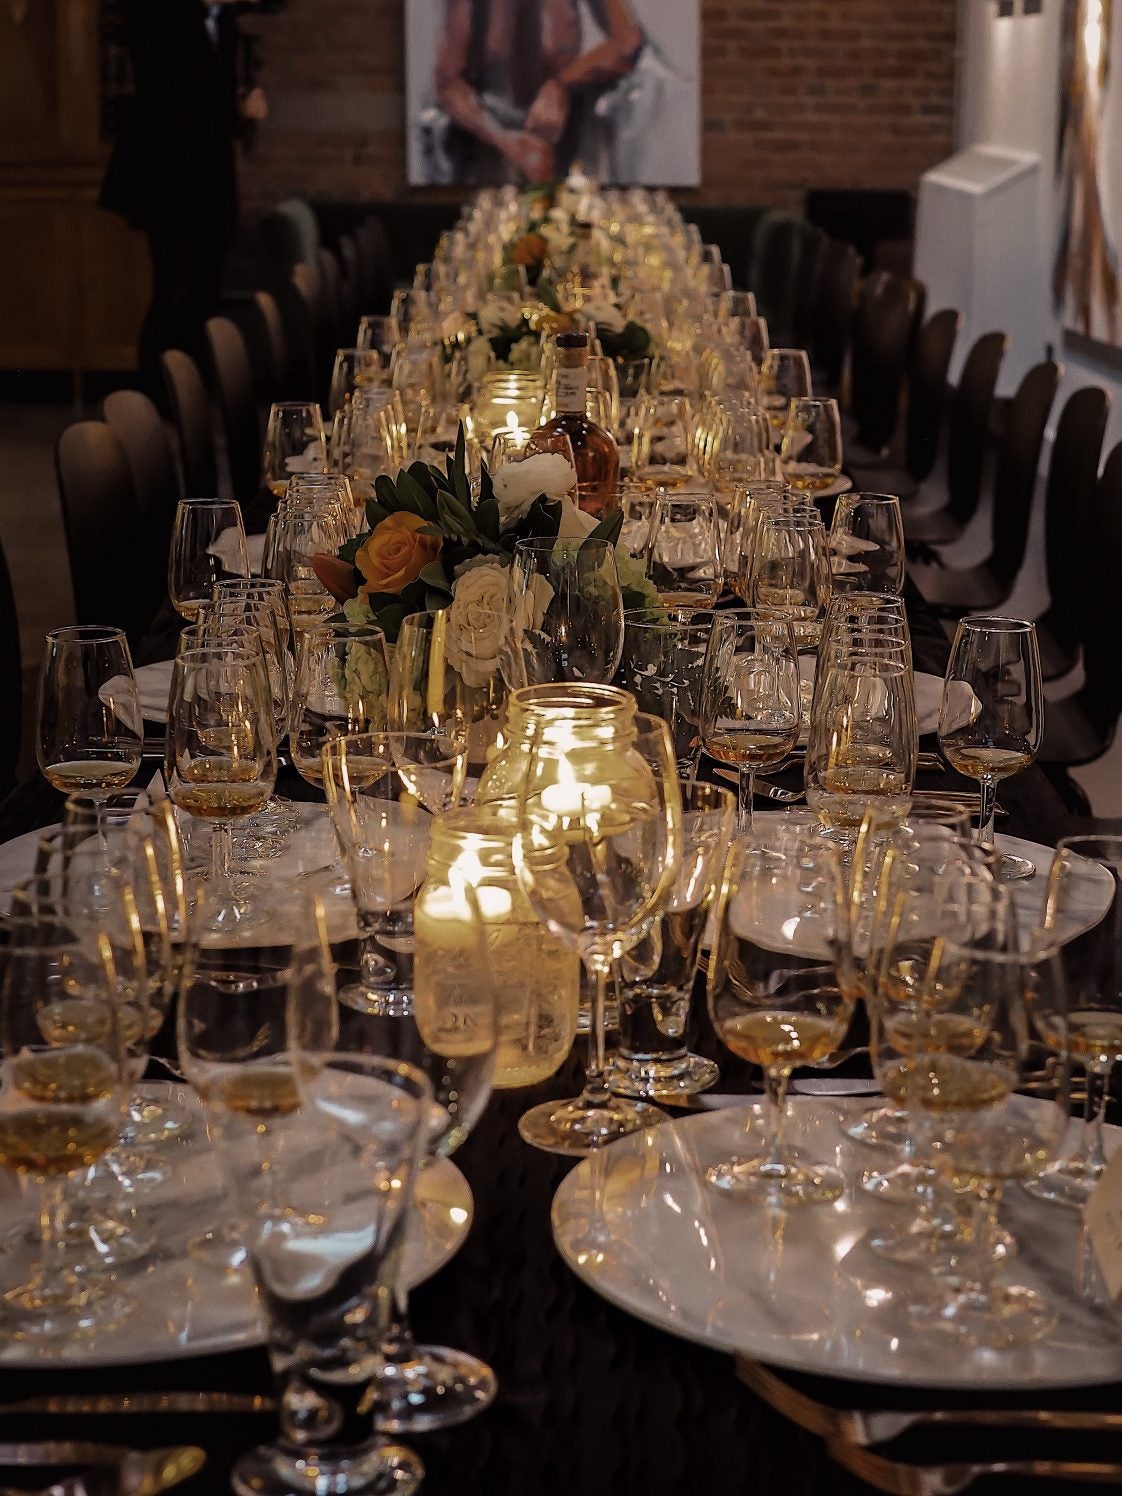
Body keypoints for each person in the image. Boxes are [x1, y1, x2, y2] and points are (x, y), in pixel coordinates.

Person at [100, 0, 267, 382]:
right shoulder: (164, 16)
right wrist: (239, 112)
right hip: (170, 177)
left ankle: (195, 384)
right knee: (173, 286)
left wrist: (242, 109)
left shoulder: (224, 23)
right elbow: (175, 98)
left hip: (211, 177)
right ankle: (158, 386)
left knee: (206, 287)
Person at [424, 0, 644, 185]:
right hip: (490, 131)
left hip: (568, 123)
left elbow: (628, 40)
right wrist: (505, 141)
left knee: (651, 80)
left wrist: (560, 85)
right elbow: (448, 82)